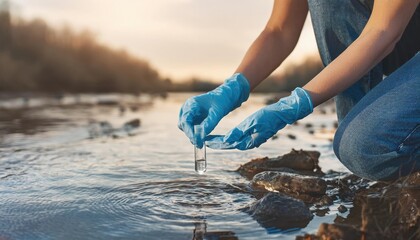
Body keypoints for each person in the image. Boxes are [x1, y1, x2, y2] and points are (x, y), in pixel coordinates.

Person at [178, 0, 420, 181]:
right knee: (354, 150)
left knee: (365, 149)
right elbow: (279, 30)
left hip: (388, 35)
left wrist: (294, 105)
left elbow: (383, 32)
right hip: (401, 44)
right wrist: (232, 89)